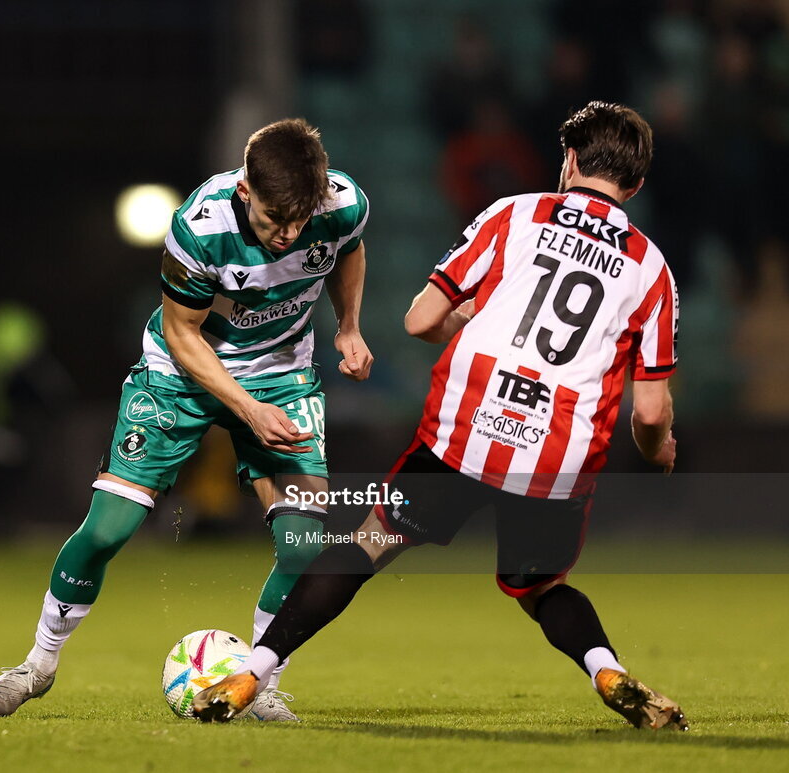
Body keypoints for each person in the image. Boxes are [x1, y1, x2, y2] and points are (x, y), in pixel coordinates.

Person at [193, 102, 688, 731]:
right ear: (636, 184)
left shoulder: (515, 214)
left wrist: (470, 317)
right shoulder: (652, 270)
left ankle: (253, 670)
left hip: (467, 431)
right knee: (539, 588)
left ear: (570, 161)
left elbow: (421, 319)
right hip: (555, 453)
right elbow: (649, 410)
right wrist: (660, 449)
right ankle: (603, 668)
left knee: (366, 545)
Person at [0, 118, 372, 721]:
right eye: (272, 221)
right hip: (181, 374)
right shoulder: (200, 226)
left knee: (304, 547)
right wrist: (247, 409)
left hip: (282, 374)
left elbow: (348, 252)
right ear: (244, 191)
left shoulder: (341, 206)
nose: (288, 237)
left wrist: (348, 326)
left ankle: (258, 683)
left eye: (298, 222)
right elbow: (184, 336)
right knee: (106, 530)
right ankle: (38, 664)